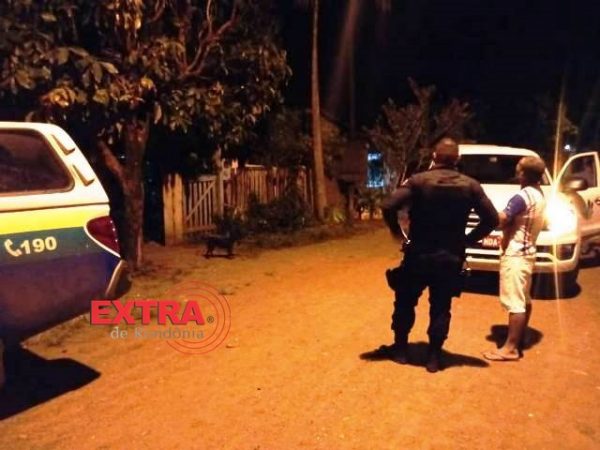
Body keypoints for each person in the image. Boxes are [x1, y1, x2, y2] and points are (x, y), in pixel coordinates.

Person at [380, 137, 498, 373]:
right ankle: (433, 357)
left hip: (418, 254)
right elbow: (492, 219)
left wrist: (397, 232)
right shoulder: (471, 185)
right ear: (457, 159)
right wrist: (468, 239)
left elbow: (388, 205)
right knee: (441, 306)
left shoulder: (418, 181)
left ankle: (401, 349)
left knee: (405, 300)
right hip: (450, 256)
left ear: (434, 157)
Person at [483, 156, 547, 362]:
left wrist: (489, 214)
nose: (517, 173)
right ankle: (519, 337)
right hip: (527, 252)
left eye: (519, 170)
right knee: (524, 298)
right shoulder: (539, 194)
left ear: (523, 174)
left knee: (515, 302)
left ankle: (510, 348)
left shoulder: (522, 197)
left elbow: (502, 219)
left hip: (516, 254)